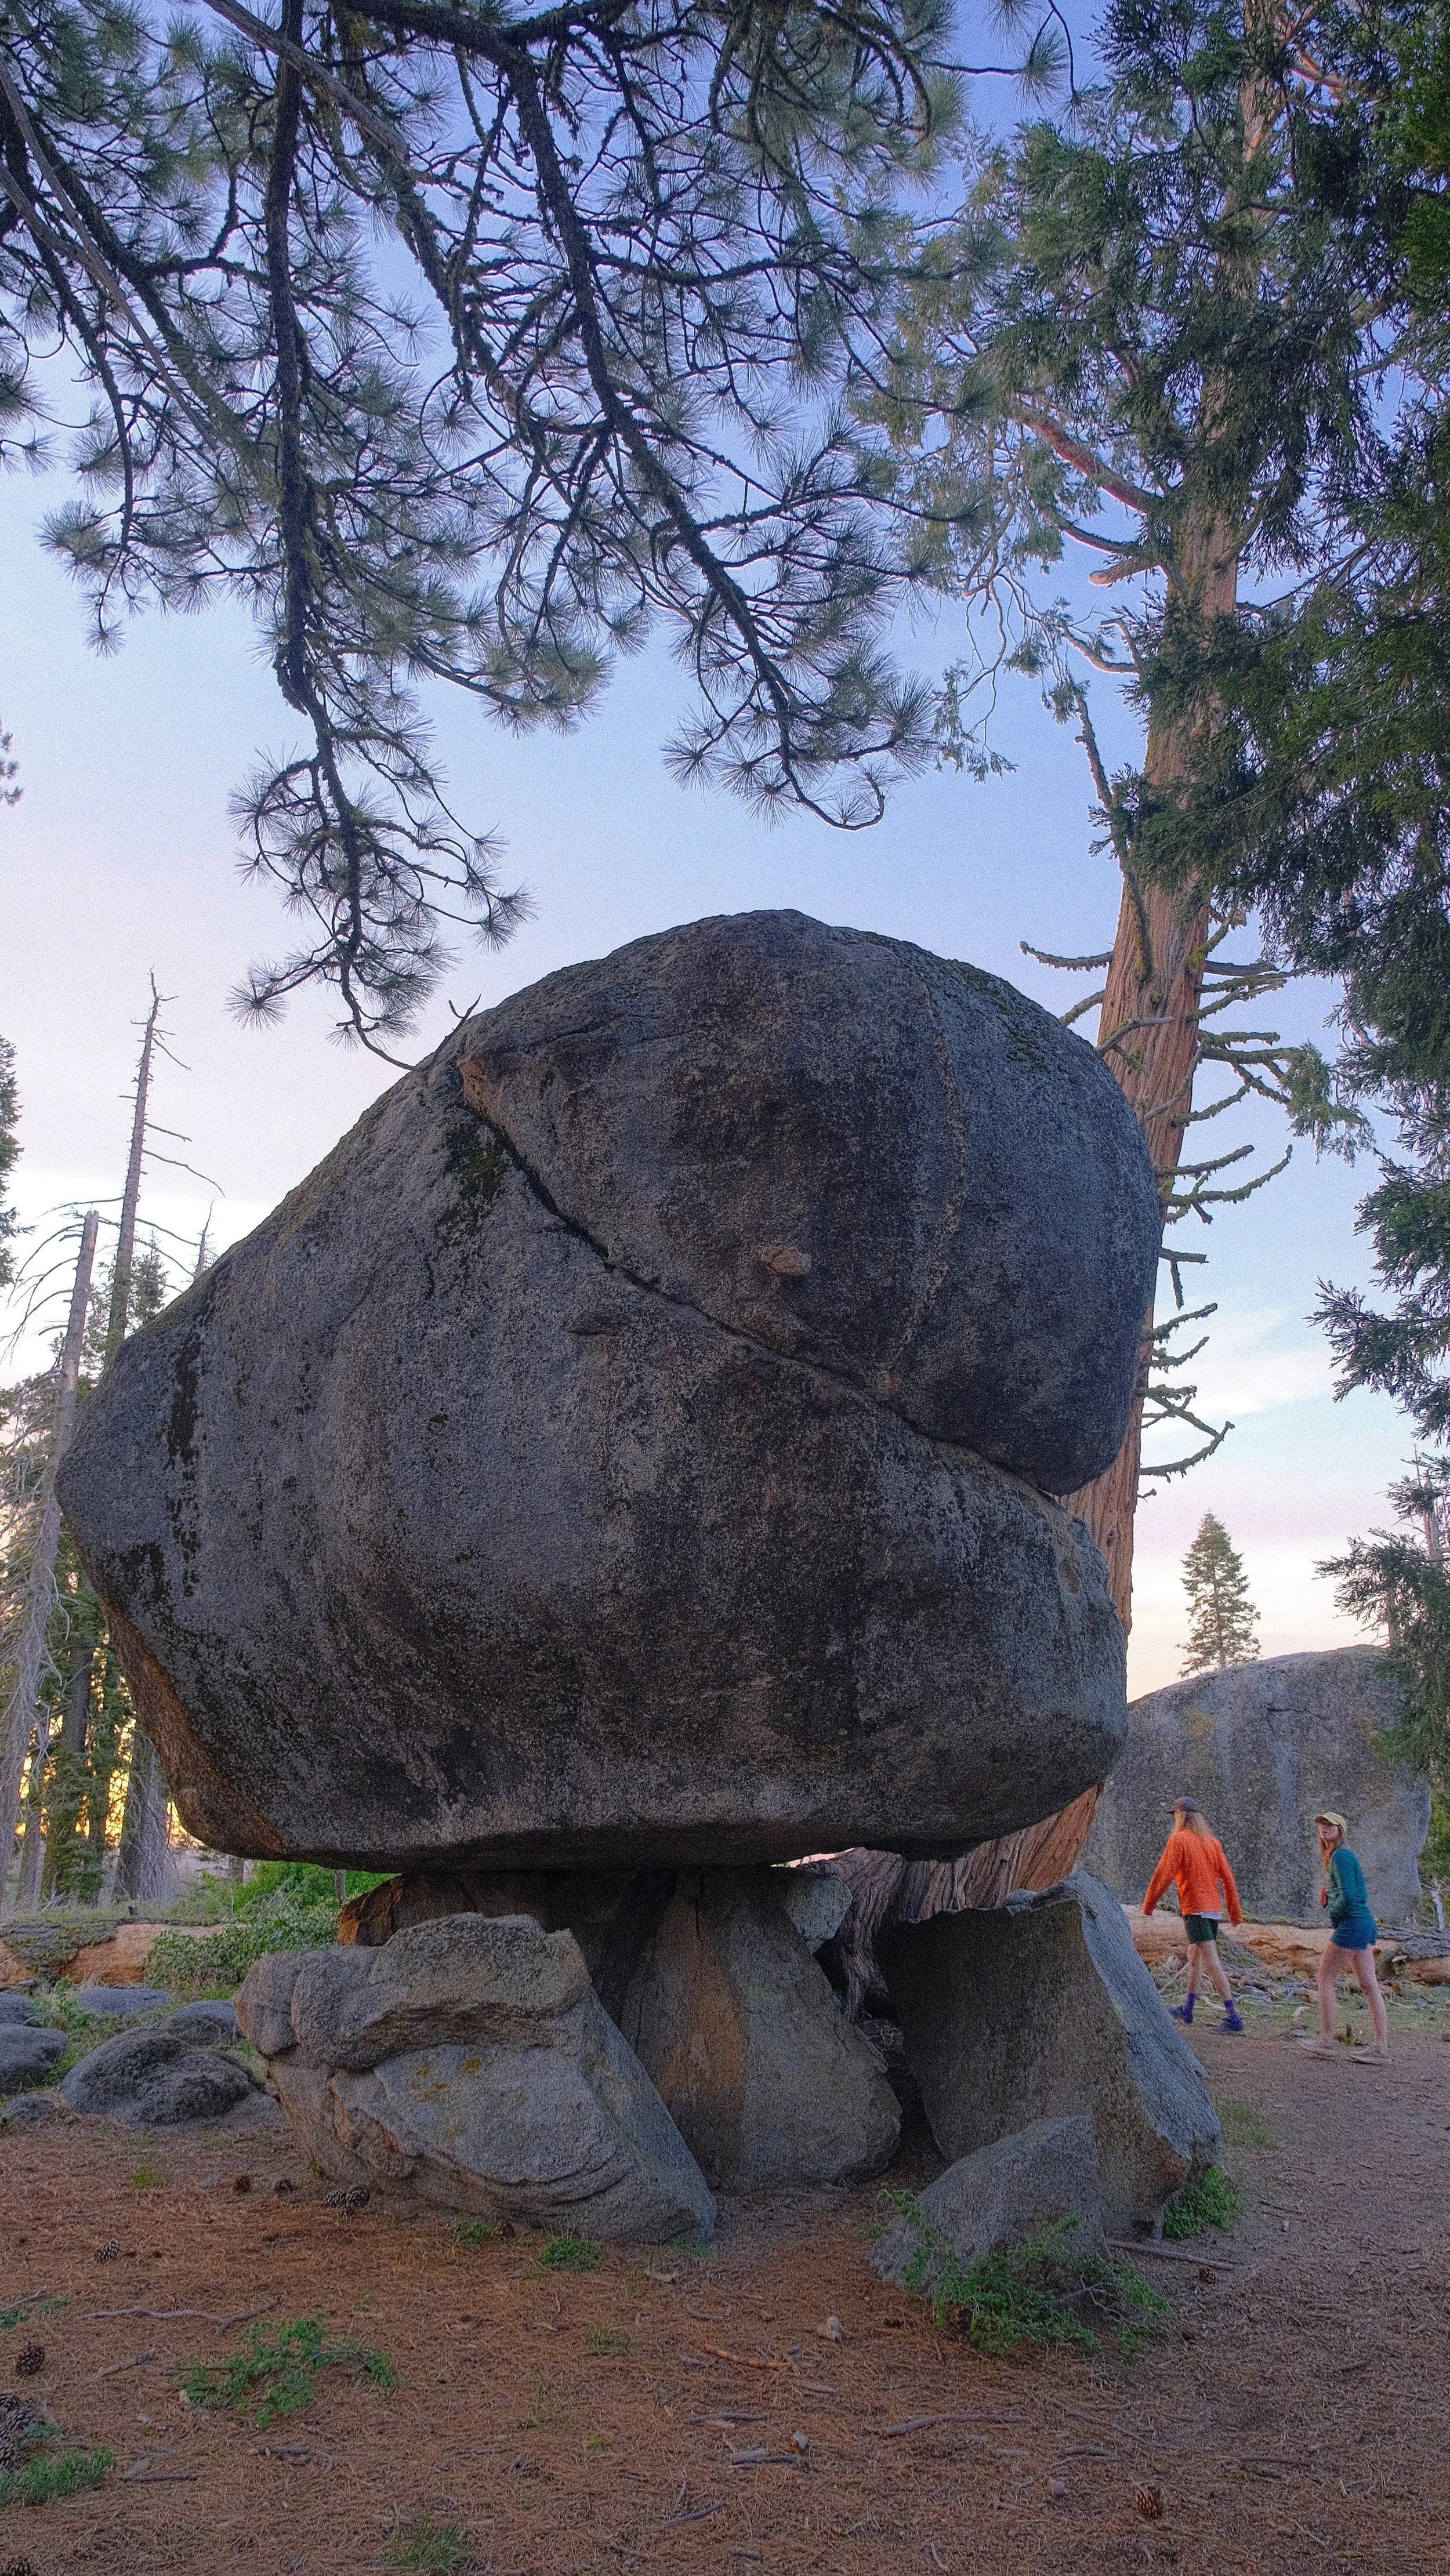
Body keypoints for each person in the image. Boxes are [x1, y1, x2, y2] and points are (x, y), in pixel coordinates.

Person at [1143, 1797, 1245, 2031]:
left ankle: (1233, 2018)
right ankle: (1187, 2009)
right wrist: (1234, 1912)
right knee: (1194, 1956)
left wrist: (1149, 1905)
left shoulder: (1179, 1840)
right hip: (1213, 1911)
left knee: (1212, 1962)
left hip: (1196, 1909)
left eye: (1176, 1815)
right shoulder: (1212, 1842)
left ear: (1181, 1816)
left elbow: (1163, 1873)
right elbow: (1228, 1879)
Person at [1300, 1809, 1390, 2065]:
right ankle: (1381, 2049)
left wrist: (1331, 1908)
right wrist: (1330, 1894)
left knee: (1324, 1977)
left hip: (1353, 1924)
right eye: (1322, 1825)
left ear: (1341, 1830)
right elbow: (1352, 1891)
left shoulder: (1340, 1855)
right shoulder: (1341, 1856)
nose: (1325, 1828)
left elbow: (1350, 1896)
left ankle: (1327, 2041)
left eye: (1331, 1825)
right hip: (1363, 1924)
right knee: (1370, 1986)